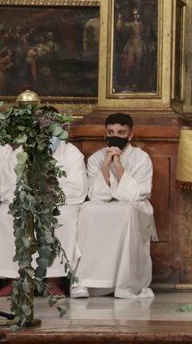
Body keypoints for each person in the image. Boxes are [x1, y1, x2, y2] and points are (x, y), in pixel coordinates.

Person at [71, 112, 156, 299]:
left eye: (120, 132)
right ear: (105, 133)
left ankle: (124, 283)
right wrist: (104, 166)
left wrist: (117, 165)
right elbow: (95, 194)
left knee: (125, 210)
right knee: (87, 209)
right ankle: (84, 281)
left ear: (130, 135)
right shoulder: (96, 158)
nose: (115, 136)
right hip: (104, 204)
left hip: (135, 206)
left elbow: (138, 193)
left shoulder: (141, 158)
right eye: (110, 132)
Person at [0, 136, 87, 297]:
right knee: (3, 214)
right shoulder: (21, 152)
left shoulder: (71, 153)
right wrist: (28, 196)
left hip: (58, 203)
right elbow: (8, 185)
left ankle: (52, 282)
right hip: (25, 200)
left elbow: (78, 187)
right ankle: (15, 280)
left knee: (64, 218)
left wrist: (47, 195)